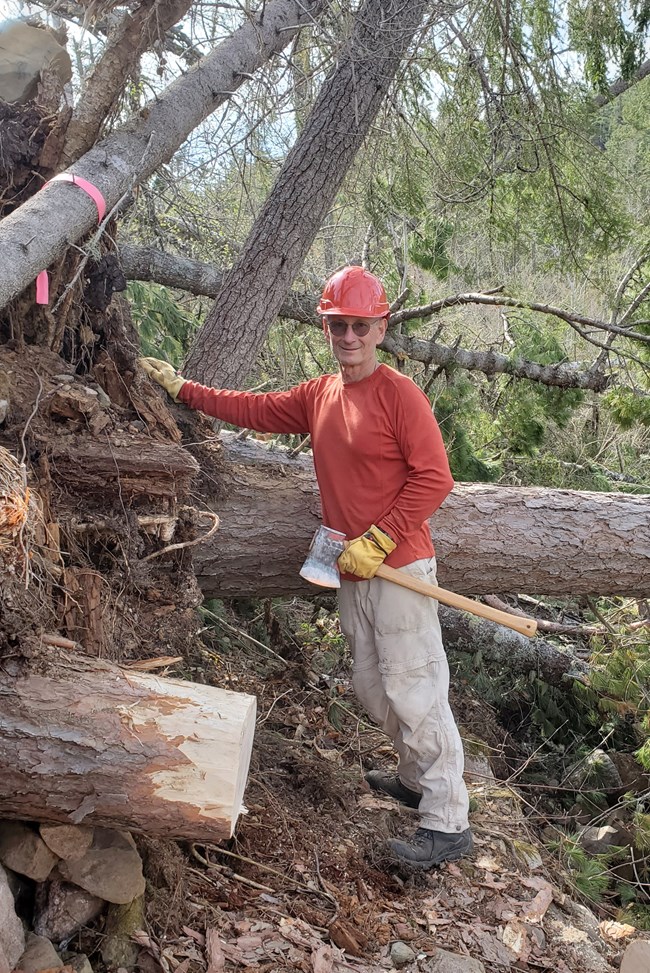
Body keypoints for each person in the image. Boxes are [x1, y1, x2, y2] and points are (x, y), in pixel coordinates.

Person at [140, 265, 472, 869]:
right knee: (376, 692)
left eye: (358, 326)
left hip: (399, 570)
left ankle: (447, 821)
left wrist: (381, 538)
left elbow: (435, 478)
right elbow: (255, 409)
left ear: (380, 328)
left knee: (416, 690)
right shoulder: (321, 394)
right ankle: (417, 780)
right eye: (336, 325)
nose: (347, 336)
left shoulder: (400, 395)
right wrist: (183, 389)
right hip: (353, 571)